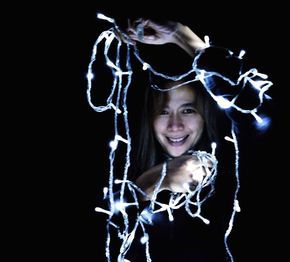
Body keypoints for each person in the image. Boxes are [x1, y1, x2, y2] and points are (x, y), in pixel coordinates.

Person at [91, 16, 271, 262]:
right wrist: (149, 183)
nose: (175, 125)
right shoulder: (117, 186)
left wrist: (180, 35)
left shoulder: (234, 177)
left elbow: (258, 106)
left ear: (205, 115)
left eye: (188, 110)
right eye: (163, 111)